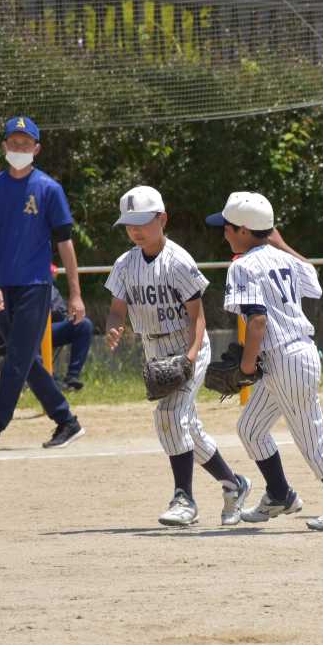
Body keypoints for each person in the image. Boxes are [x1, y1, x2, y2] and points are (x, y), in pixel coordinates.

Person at [209, 191, 323, 532]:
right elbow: (312, 278)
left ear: (244, 231)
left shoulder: (243, 266)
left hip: (286, 359)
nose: (224, 232)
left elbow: (257, 320)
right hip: (288, 358)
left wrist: (246, 367)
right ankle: (280, 495)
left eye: (228, 227)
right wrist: (280, 243)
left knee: (312, 440)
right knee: (250, 429)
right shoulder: (286, 259)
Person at [104, 185, 252, 527]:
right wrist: (114, 326)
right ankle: (234, 484)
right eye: (129, 224)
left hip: (187, 346)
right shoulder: (125, 264)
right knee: (188, 430)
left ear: (162, 219)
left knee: (169, 416)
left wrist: (190, 357)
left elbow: (197, 317)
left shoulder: (178, 261)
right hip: (154, 350)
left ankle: (184, 498)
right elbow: (116, 310)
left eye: (143, 222)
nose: (136, 230)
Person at [0, 115, 85, 451]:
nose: (19, 148)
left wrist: (75, 294)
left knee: (17, 359)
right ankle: (66, 421)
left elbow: (65, 243)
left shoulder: (49, 189)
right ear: (4, 146)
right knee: (25, 360)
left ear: (36, 148)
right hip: (3, 287)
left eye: (26, 143)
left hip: (36, 285)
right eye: (14, 142)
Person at [48, 281, 92, 391]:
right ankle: (50, 379)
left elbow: (61, 311)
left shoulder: (49, 284)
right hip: (30, 330)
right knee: (34, 332)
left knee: (84, 324)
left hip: (53, 327)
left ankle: (72, 377)